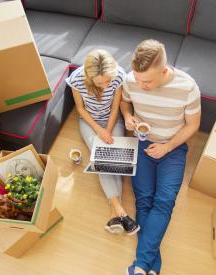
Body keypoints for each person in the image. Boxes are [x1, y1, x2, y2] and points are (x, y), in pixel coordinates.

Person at [121, 40, 201, 275]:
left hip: (173, 148)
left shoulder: (187, 87)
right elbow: (125, 103)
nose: (141, 85)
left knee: (164, 201)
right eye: (138, 79)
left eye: (148, 81)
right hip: (143, 143)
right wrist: (127, 117)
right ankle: (151, 268)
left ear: (164, 71)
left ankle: (140, 266)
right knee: (144, 199)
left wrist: (167, 148)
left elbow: (193, 125)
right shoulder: (130, 80)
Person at [66, 49, 140, 235]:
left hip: (111, 120)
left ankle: (114, 215)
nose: (106, 86)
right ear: (90, 78)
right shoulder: (77, 79)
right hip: (89, 123)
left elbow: (116, 106)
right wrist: (99, 131)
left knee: (113, 158)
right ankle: (121, 211)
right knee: (101, 157)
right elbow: (80, 110)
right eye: (101, 83)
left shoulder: (118, 75)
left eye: (109, 81)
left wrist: (107, 129)